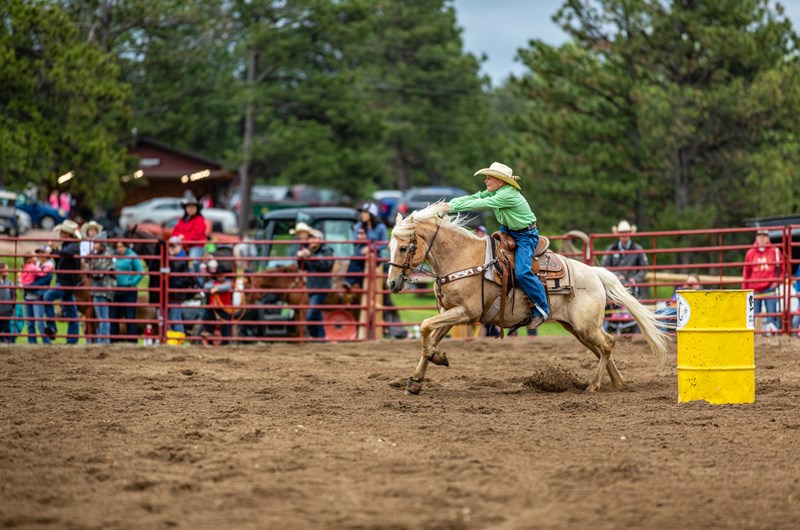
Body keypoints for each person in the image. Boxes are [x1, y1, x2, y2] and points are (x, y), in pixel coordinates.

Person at [444, 161, 549, 329]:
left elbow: (478, 204)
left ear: (500, 181)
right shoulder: (496, 192)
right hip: (507, 231)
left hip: (525, 236)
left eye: (489, 178)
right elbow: (475, 197)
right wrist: (449, 204)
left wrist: (451, 207)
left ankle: (542, 308)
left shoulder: (507, 195)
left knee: (522, 271)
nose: (486, 181)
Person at [43, 220, 83, 344]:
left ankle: (52, 327)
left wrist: (54, 251)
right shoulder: (67, 246)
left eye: (61, 233)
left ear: (67, 234)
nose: (59, 235)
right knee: (72, 312)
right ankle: (72, 340)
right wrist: (55, 251)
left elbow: (68, 253)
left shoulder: (73, 245)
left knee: (48, 296)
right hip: (67, 282)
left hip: (66, 283)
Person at [292, 222, 334, 339]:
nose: (312, 240)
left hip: (321, 287)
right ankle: (320, 338)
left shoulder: (326, 250)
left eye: (315, 238)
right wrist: (300, 258)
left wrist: (309, 256)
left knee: (311, 315)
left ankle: (315, 335)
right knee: (316, 314)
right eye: (311, 238)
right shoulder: (311, 252)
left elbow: (325, 265)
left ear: (320, 239)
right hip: (312, 287)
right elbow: (303, 267)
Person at [743, 229, 782, 335]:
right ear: (756, 237)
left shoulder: (775, 251)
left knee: (771, 315)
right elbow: (746, 273)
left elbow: (782, 270)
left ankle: (771, 334)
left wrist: (777, 282)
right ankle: (756, 335)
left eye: (764, 235)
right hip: (754, 288)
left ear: (768, 237)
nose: (762, 237)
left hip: (770, 288)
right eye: (759, 235)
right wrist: (745, 290)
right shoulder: (750, 253)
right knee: (754, 316)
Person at [601, 220, 650, 300]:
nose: (624, 235)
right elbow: (605, 266)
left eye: (626, 232)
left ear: (630, 233)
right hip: (615, 284)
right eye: (622, 232)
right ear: (619, 234)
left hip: (633, 285)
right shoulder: (612, 249)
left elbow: (644, 267)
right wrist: (616, 275)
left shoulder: (638, 249)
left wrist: (635, 279)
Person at [345, 202, 388, 288]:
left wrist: (370, 247)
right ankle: (350, 282)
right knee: (355, 258)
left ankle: (351, 281)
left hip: (374, 256)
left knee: (357, 260)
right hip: (360, 255)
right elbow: (354, 241)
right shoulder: (359, 226)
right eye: (362, 213)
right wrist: (360, 239)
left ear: (371, 214)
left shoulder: (380, 227)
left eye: (365, 213)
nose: (362, 215)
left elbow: (385, 243)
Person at [110, 240, 144, 343]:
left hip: (129, 290)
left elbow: (140, 272)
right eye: (118, 247)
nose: (120, 249)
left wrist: (132, 282)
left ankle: (132, 341)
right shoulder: (112, 256)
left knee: (130, 316)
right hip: (115, 290)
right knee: (113, 317)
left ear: (126, 247)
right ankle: (114, 341)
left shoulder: (132, 256)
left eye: (122, 247)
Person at [19, 249, 54, 344]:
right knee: (31, 322)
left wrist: (26, 286)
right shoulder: (34, 266)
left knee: (38, 322)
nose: (38, 256)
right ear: (30, 259)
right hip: (29, 297)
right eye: (36, 255)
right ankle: (35, 342)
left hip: (36, 297)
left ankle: (44, 342)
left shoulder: (29, 267)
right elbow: (41, 273)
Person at [170, 192, 207, 276]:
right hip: (183, 245)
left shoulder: (199, 220)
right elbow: (175, 231)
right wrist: (177, 237)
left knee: (194, 262)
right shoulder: (182, 220)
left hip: (196, 245)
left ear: (196, 208)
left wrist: (182, 238)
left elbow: (196, 235)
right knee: (172, 260)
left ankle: (198, 283)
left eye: (193, 207)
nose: (190, 209)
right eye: (188, 207)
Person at [87, 233, 115, 344]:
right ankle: (101, 338)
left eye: (96, 243)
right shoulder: (97, 254)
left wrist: (92, 270)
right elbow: (90, 268)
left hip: (103, 289)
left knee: (103, 316)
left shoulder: (107, 254)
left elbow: (99, 271)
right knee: (100, 316)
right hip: (98, 289)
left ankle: (104, 339)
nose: (94, 246)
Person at [199, 258, 234, 344]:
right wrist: (216, 287)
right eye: (219, 275)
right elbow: (206, 286)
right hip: (214, 306)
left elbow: (228, 286)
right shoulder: (212, 283)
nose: (220, 276)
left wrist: (217, 288)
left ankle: (226, 343)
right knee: (206, 316)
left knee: (225, 325)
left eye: (222, 274)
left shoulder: (228, 282)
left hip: (225, 307)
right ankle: (209, 334)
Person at [167, 235, 194, 334]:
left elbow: (187, 278)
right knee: (171, 318)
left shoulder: (184, 260)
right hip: (171, 293)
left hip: (177, 294)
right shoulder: (169, 259)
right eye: (170, 246)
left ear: (180, 247)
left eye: (173, 246)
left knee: (175, 318)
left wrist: (174, 284)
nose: (171, 249)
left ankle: (180, 339)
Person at [0, 263, 15, 343]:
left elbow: (12, 295)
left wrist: (11, 307)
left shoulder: (10, 283)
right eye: (6, 269)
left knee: (7, 331)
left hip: (7, 312)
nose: (8, 271)